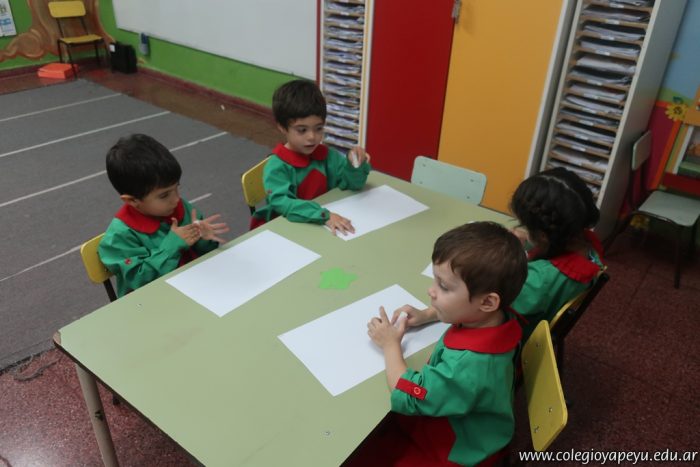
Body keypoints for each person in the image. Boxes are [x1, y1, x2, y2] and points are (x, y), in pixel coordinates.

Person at [350, 222, 528, 466]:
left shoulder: (466, 367)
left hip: (458, 449)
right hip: (473, 420)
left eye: (444, 286)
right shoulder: (497, 316)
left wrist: (390, 344)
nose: (431, 291)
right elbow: (469, 312)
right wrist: (428, 314)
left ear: (487, 302)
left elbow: (411, 394)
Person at [98, 134, 229, 297]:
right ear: (132, 201)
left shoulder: (177, 208)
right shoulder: (119, 237)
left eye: (177, 187)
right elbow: (139, 281)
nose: (176, 199)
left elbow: (203, 257)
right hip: (153, 302)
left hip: (195, 288)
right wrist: (172, 247)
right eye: (164, 195)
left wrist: (204, 239)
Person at [250, 79, 371, 235]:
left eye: (318, 128)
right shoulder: (277, 166)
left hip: (319, 228)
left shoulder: (327, 155)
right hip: (286, 231)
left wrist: (355, 165)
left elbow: (353, 185)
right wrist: (324, 216)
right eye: (302, 130)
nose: (312, 137)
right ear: (282, 128)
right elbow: (283, 204)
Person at [509, 166, 605, 340]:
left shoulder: (539, 280)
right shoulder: (588, 241)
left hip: (518, 335)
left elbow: (497, 302)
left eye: (524, 225)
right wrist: (530, 240)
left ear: (543, 236)